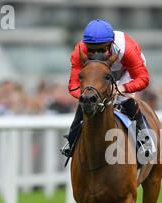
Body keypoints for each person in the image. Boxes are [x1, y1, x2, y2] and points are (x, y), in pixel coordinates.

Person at [61, 19, 152, 158]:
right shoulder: (79, 52)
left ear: (111, 44)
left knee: (125, 100)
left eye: (102, 49)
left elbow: (143, 79)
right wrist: (89, 96)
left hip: (125, 70)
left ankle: (145, 140)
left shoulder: (127, 48)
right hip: (96, 73)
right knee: (85, 102)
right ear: (86, 46)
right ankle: (71, 141)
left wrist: (121, 88)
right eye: (91, 50)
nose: (97, 53)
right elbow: (73, 88)